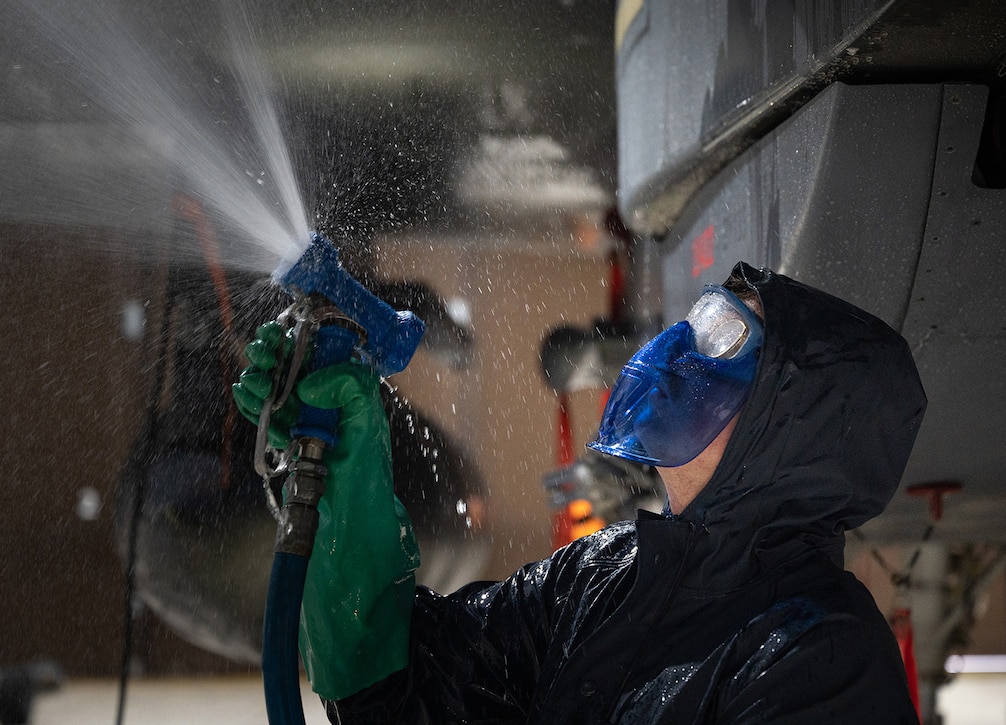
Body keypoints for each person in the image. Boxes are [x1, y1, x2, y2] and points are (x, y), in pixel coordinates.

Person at [235, 261, 926, 724]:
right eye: (696, 327)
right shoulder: (604, 576)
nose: (681, 359)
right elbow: (403, 686)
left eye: (725, 350)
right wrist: (349, 476)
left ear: (791, 428)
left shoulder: (825, 658)